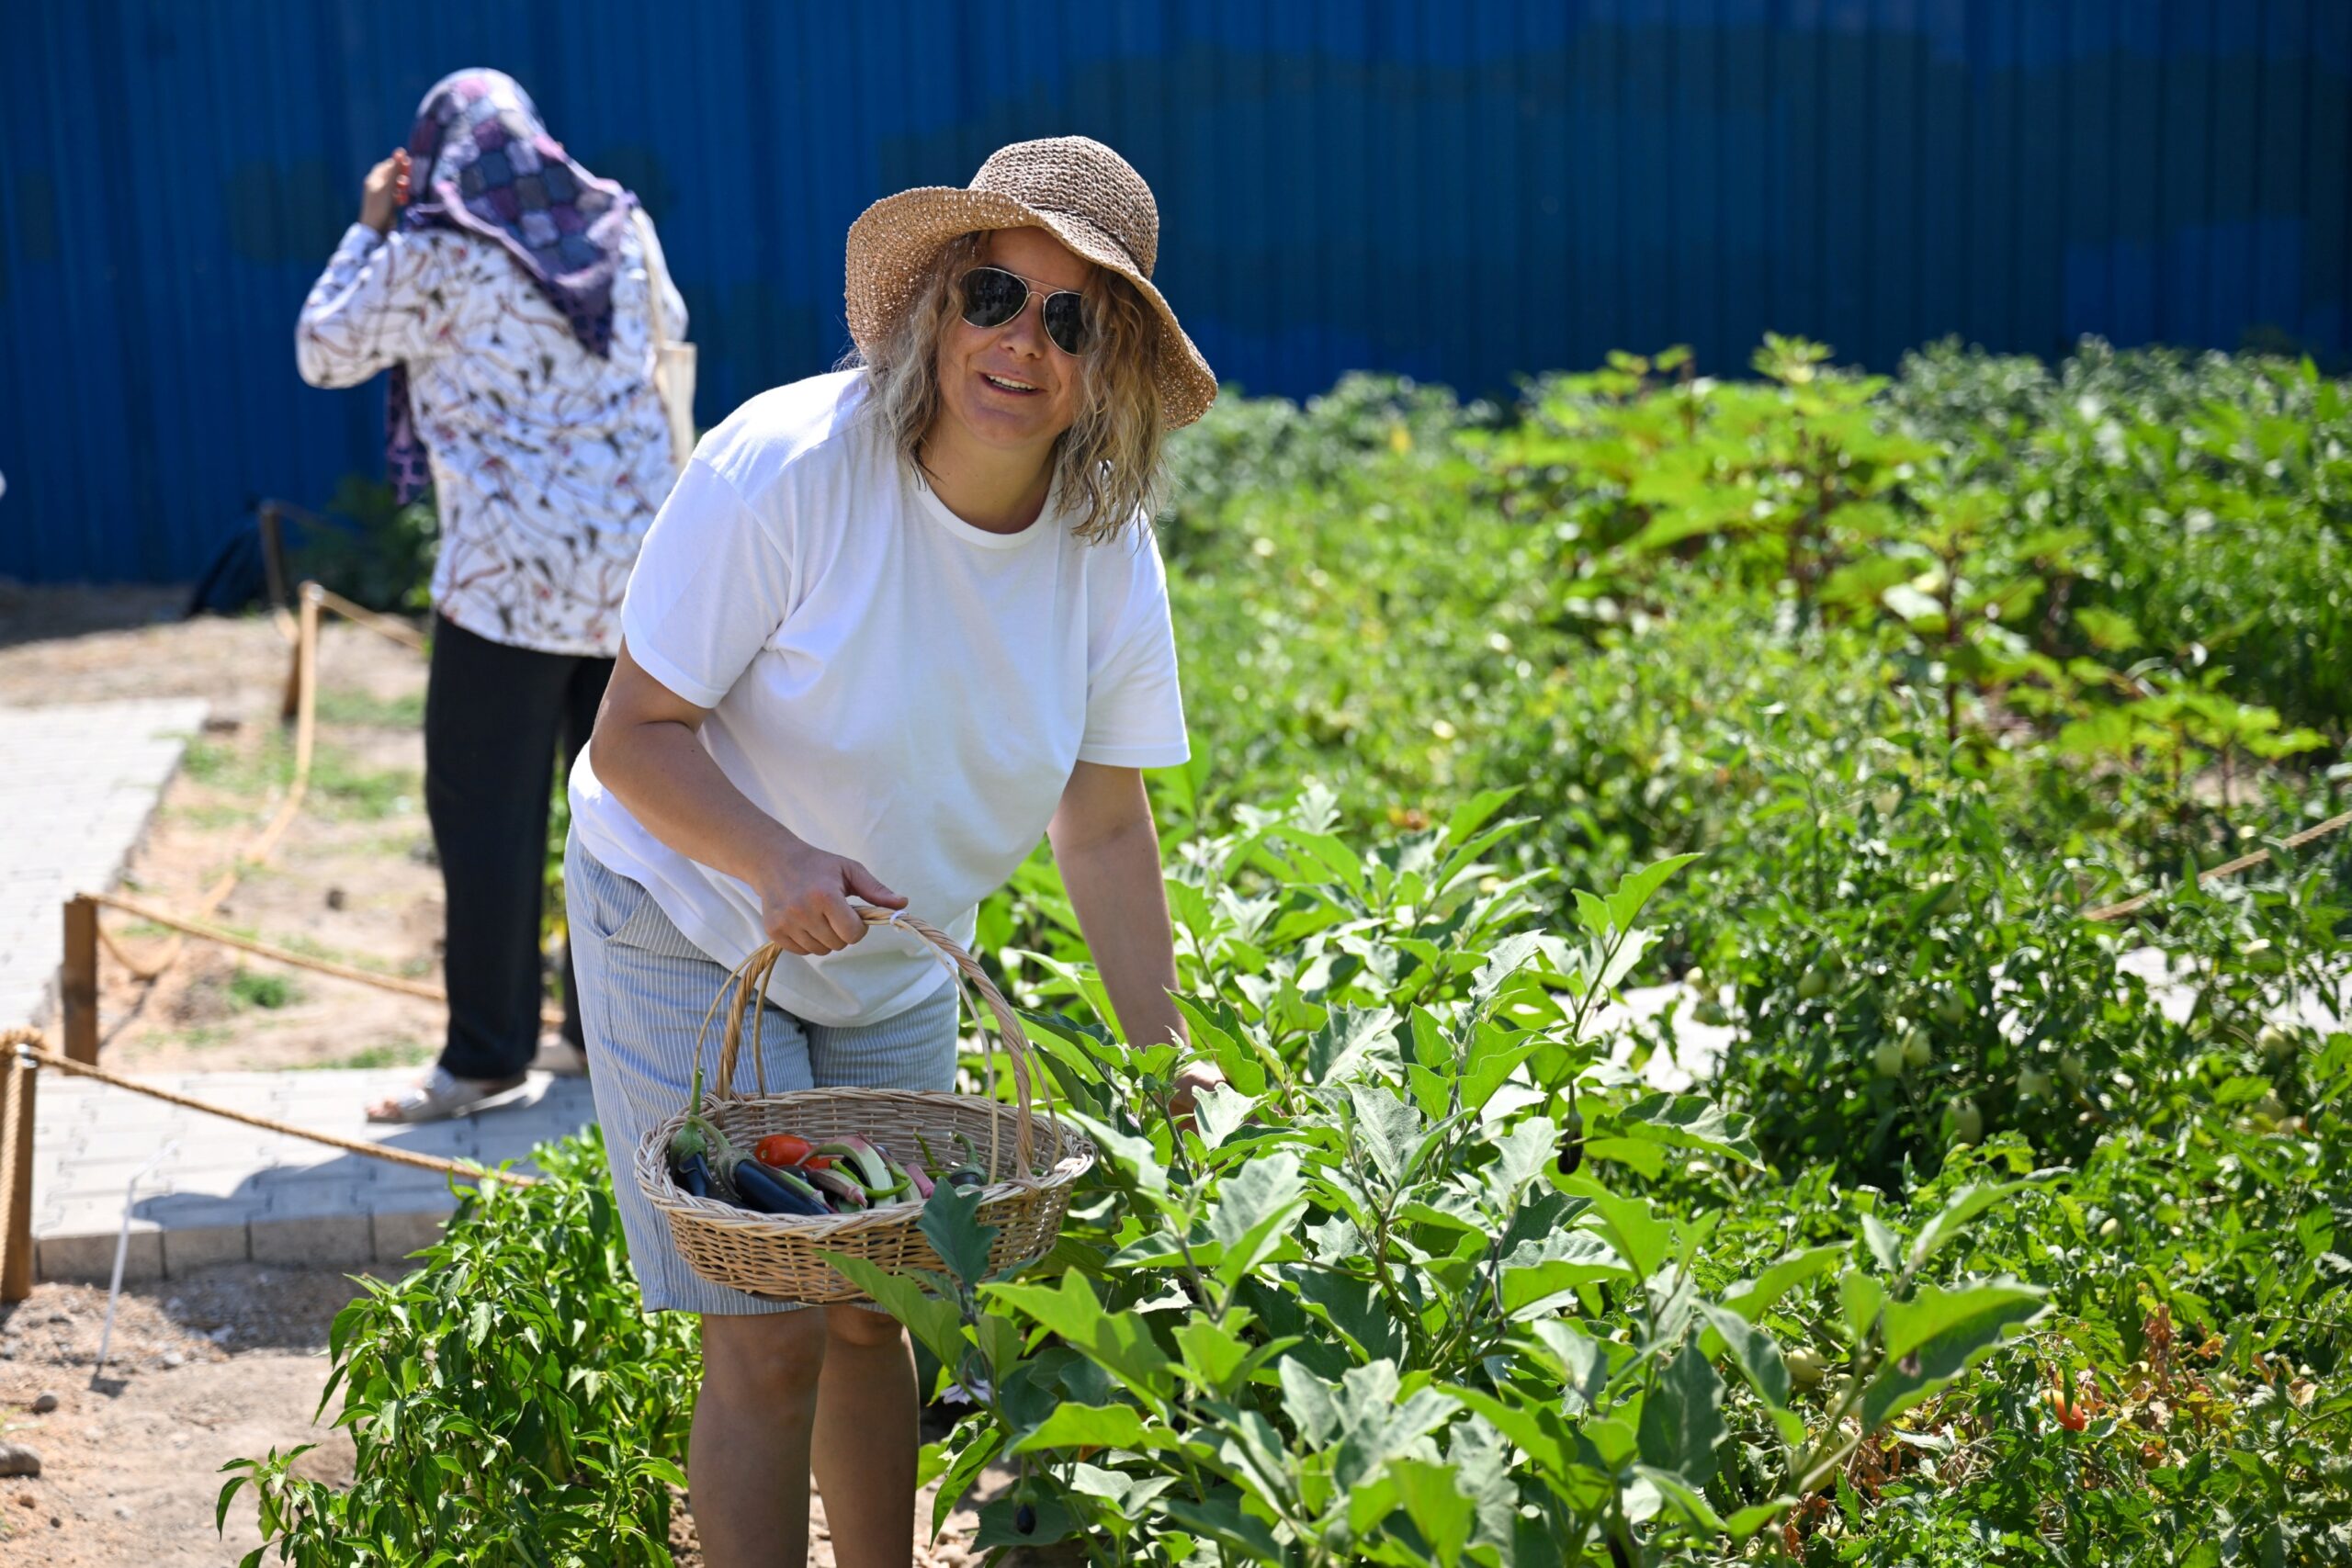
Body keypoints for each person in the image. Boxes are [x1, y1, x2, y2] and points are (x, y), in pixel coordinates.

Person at [565, 136, 1222, 1567]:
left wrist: (1172, 1059)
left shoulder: (1105, 551)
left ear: (1107, 366)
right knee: (770, 1328)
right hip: (684, 911)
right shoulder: (790, 470)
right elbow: (634, 736)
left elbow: (1103, 819)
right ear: (935, 302)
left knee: (888, 1300)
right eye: (998, 293)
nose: (1023, 343)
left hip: (896, 964)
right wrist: (772, 858)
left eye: (1072, 319)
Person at [295, 69, 687, 1122]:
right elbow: (669, 336)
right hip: (637, 580)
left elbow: (323, 347)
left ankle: (482, 1058)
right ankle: (604, 1039)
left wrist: (370, 226)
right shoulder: (618, 226)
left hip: (507, 586)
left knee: (486, 819)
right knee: (625, 816)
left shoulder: (434, 252)